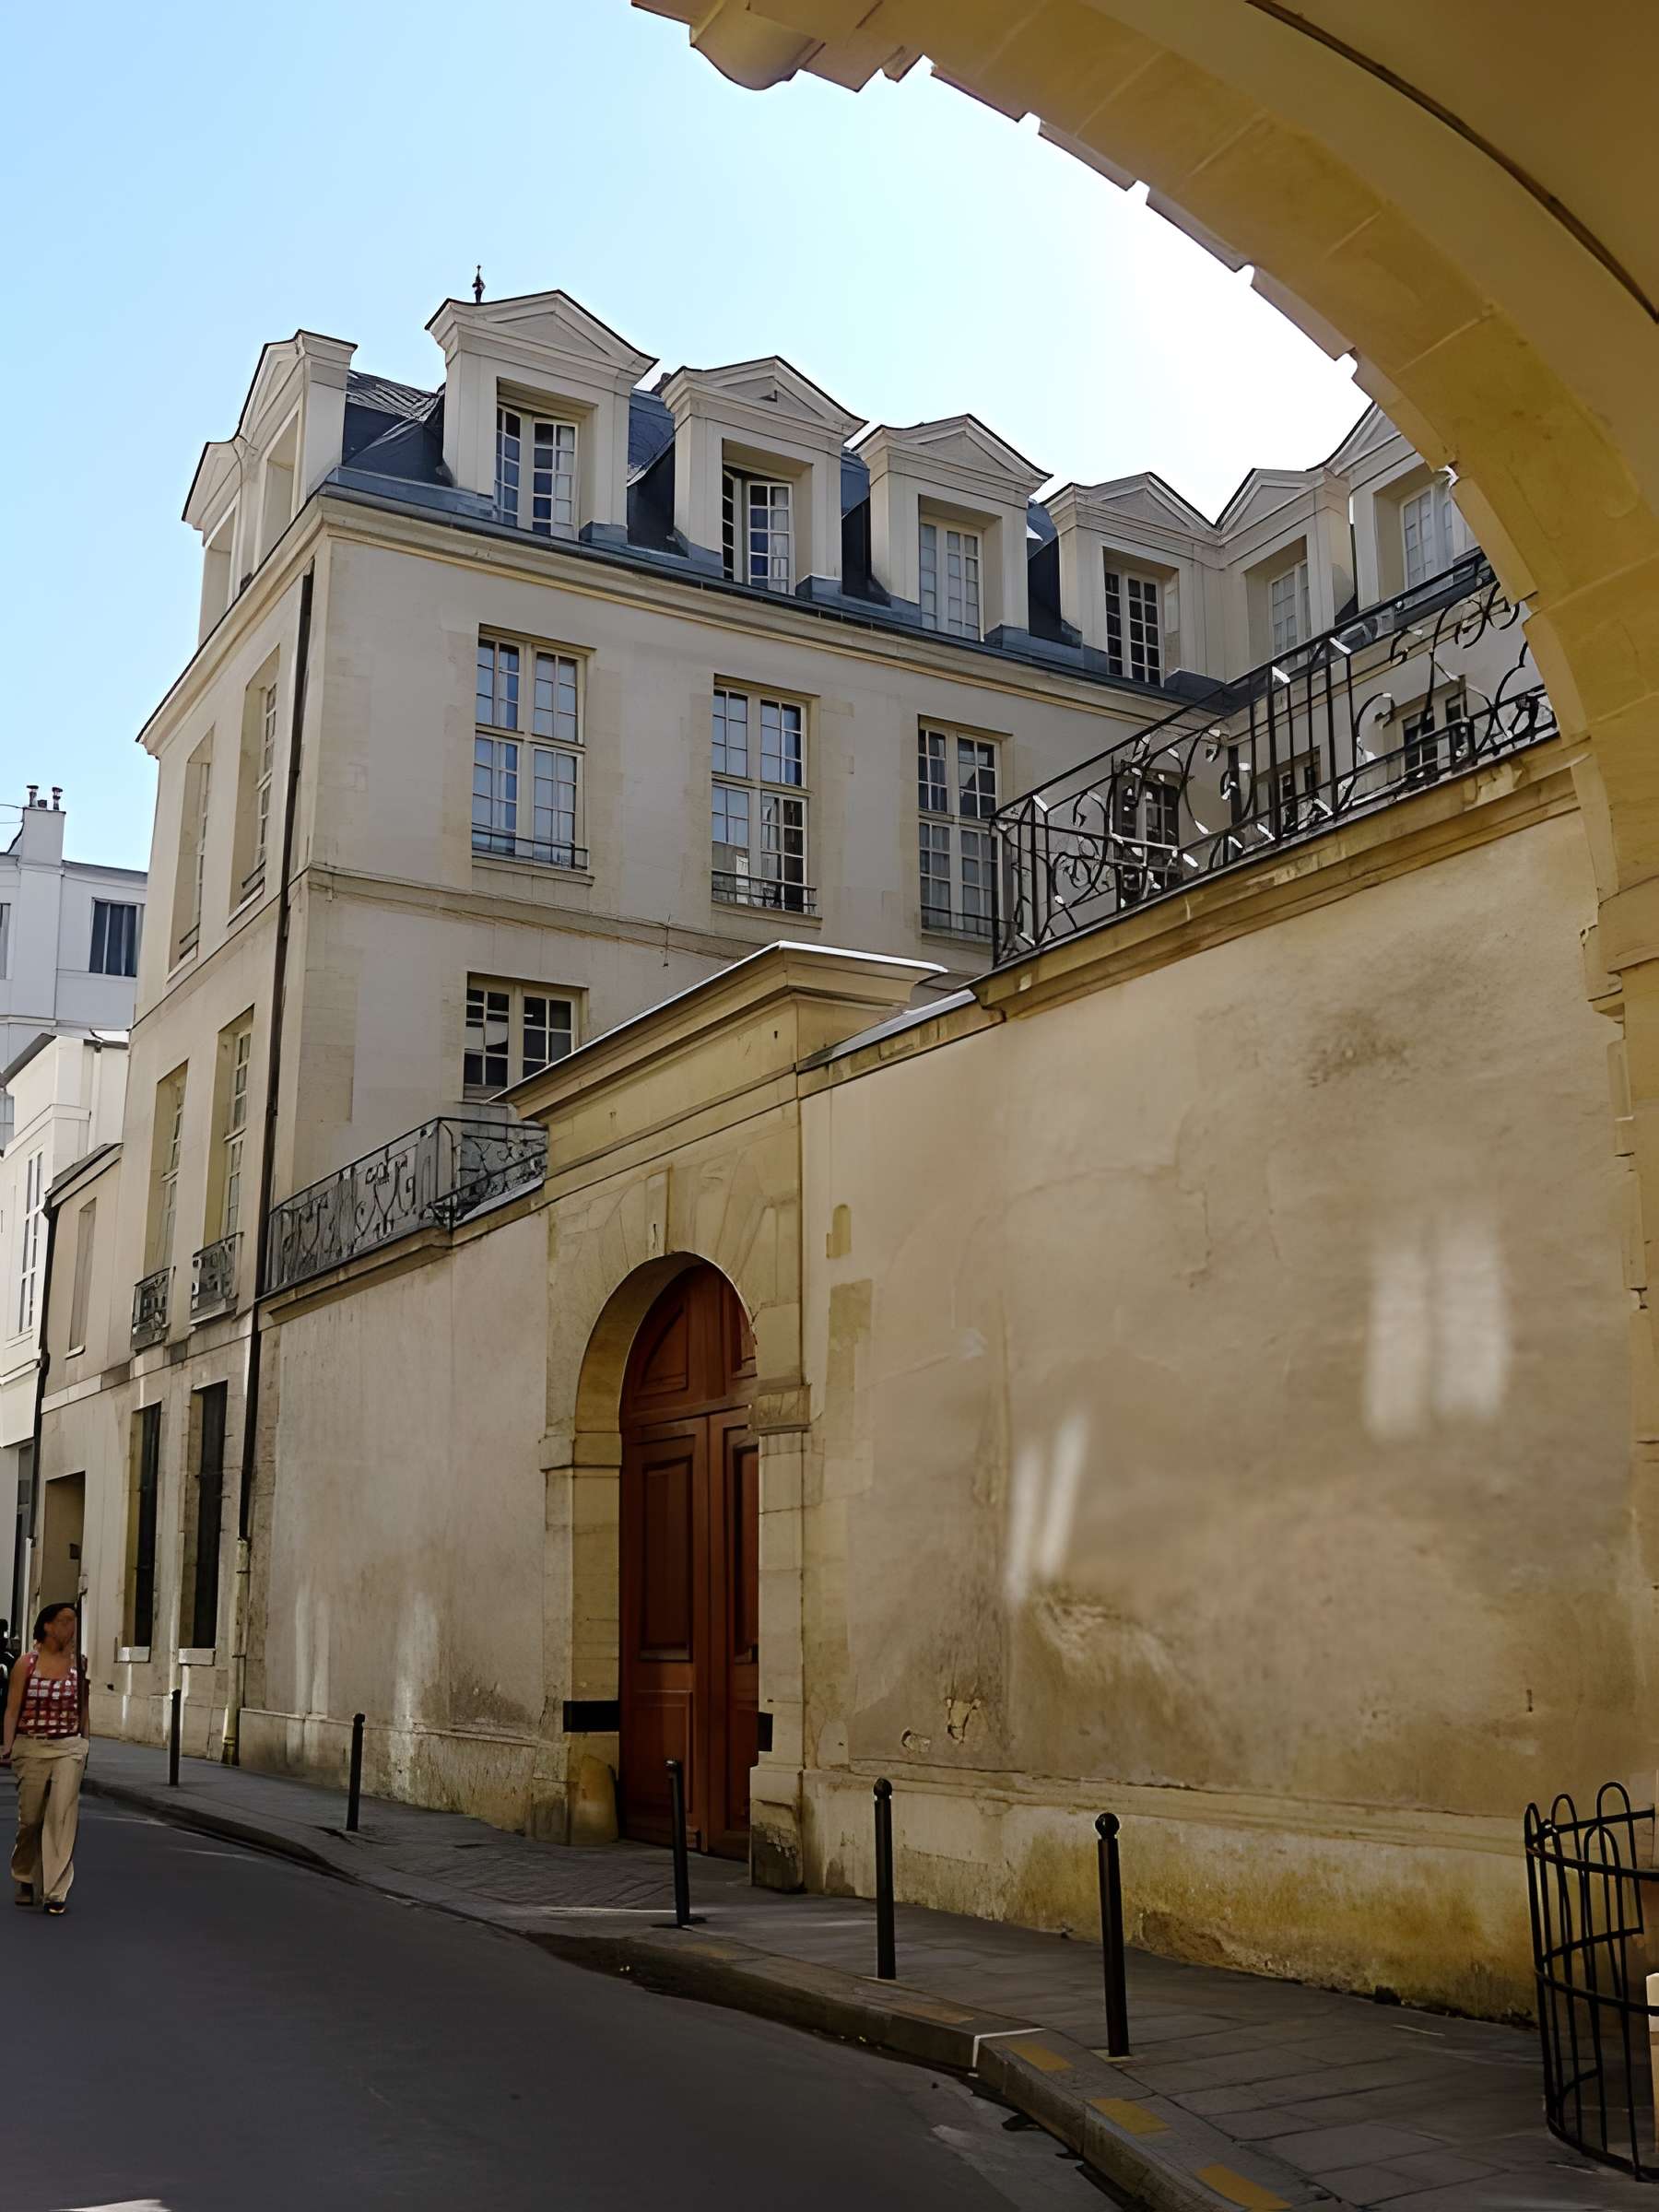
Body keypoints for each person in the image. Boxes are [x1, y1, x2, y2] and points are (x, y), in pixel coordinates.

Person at [2, 1602, 88, 1915]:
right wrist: (7, 1746)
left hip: (67, 1747)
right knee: (31, 1820)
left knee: (62, 1818)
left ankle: (55, 1891)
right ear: (48, 1626)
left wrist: (84, 1745)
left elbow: (83, 1706)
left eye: (74, 1622)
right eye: (65, 1621)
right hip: (32, 1746)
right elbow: (12, 1708)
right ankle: (24, 1875)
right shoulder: (27, 1663)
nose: (72, 1627)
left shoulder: (79, 1663)